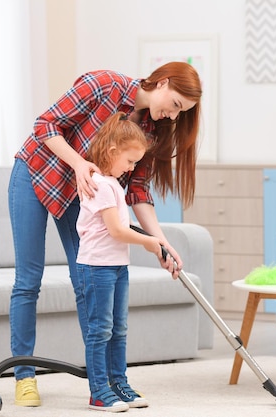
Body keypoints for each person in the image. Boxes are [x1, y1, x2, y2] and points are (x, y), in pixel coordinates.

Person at [8, 61, 202, 407]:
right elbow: (45, 124)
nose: (173, 116)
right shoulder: (104, 85)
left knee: (86, 281)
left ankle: (104, 383)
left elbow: (137, 191)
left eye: (180, 113)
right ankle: (24, 376)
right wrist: (79, 163)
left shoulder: (151, 132)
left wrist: (162, 242)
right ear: (164, 82)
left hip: (82, 197)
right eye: (175, 105)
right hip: (38, 174)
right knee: (28, 280)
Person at [76, 112, 163, 411]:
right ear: (112, 152)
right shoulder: (100, 184)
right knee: (100, 329)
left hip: (116, 266)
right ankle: (99, 391)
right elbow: (116, 230)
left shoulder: (113, 184)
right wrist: (151, 242)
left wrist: (155, 239)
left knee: (119, 328)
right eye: (129, 162)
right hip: (97, 267)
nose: (132, 168)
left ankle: (119, 384)